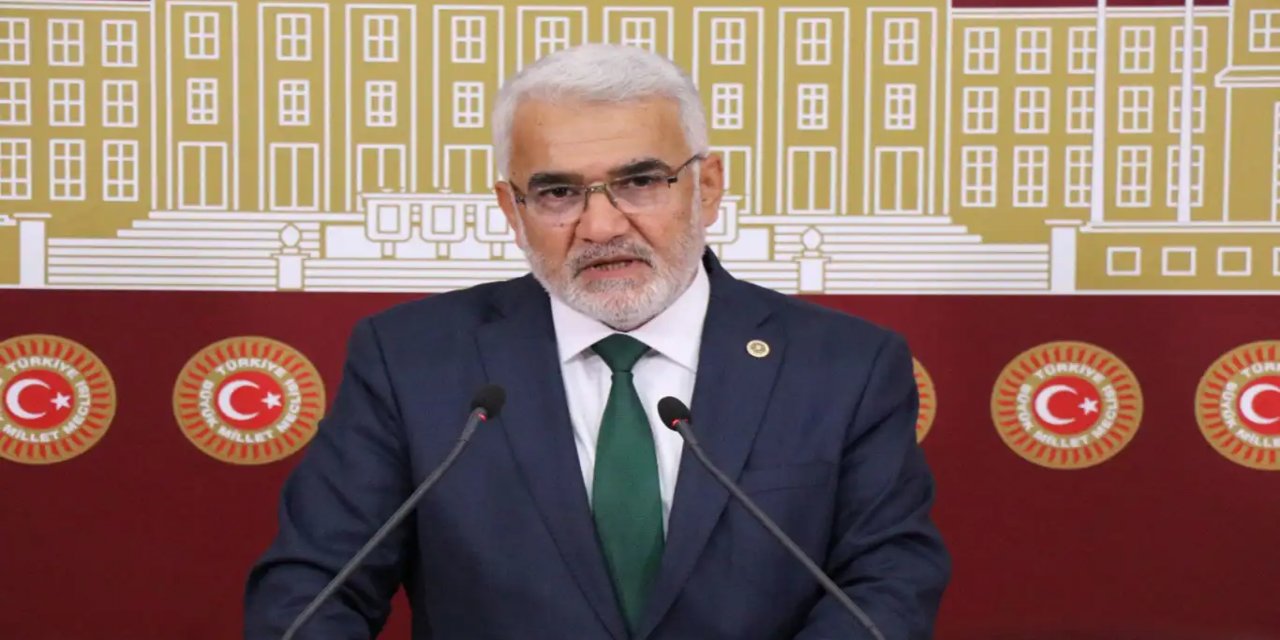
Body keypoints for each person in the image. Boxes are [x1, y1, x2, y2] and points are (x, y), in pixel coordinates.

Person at [244, 43, 950, 639]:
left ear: (706, 187)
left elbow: (885, 584)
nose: (602, 226)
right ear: (512, 209)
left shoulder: (847, 367)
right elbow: (312, 591)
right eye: (558, 193)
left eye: (639, 182)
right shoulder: (410, 360)